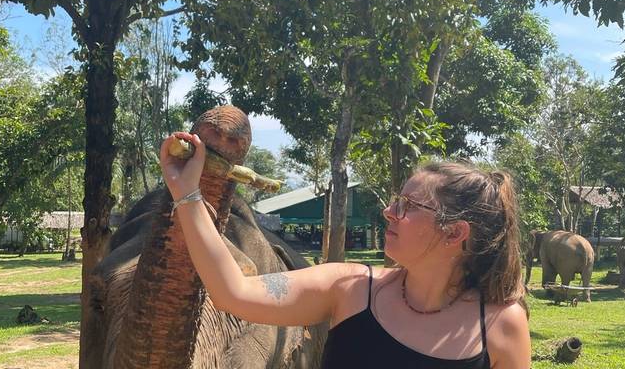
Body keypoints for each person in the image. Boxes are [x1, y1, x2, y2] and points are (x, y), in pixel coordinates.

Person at [160, 132, 531, 368]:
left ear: (455, 234)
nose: (389, 212)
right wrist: (187, 194)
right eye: (394, 201)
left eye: (407, 206)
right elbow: (233, 293)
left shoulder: (500, 324)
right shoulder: (350, 287)